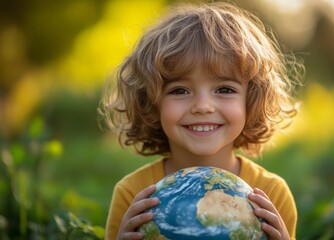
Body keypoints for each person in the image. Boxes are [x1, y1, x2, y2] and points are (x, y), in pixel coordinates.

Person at [100, 2, 303, 240]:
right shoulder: (133, 193)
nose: (202, 106)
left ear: (251, 100)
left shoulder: (271, 194)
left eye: (225, 89)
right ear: (152, 102)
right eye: (179, 91)